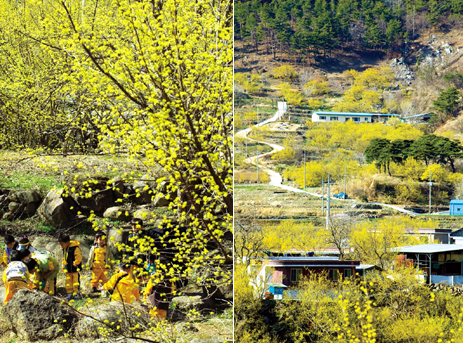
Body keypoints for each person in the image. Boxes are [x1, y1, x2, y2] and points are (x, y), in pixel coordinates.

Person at [58, 234, 82, 301]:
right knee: (68, 281)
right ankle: (69, 292)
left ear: (67, 242)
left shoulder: (75, 248)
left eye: (62, 244)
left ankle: (76, 292)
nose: (61, 246)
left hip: (75, 268)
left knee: (75, 281)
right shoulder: (65, 249)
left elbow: (79, 257)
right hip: (68, 268)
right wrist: (64, 264)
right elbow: (64, 257)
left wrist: (76, 262)